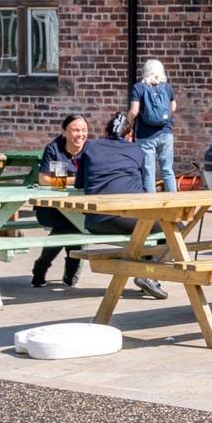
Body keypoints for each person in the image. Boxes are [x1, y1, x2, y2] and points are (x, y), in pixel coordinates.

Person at [75, 112, 167, 299]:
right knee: (175, 225)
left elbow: (79, 184)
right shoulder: (137, 151)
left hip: (94, 221)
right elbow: (143, 188)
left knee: (146, 228)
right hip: (126, 217)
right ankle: (149, 274)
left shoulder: (90, 147)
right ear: (129, 135)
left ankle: (147, 275)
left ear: (105, 132)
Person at [29, 112, 90, 288]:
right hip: (51, 207)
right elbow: (45, 180)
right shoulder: (55, 149)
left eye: (84, 130)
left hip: (80, 205)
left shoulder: (91, 149)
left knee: (73, 224)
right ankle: (69, 271)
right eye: (76, 130)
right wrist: (77, 180)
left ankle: (42, 266)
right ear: (64, 132)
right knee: (72, 226)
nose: (80, 134)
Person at [129, 58, 178, 193]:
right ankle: (173, 201)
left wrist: (129, 122)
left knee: (149, 172)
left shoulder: (138, 88)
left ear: (145, 71)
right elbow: (173, 108)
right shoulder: (167, 87)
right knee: (167, 170)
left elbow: (134, 111)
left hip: (146, 135)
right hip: (165, 132)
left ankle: (151, 203)